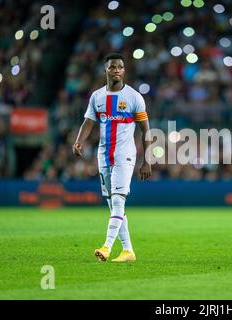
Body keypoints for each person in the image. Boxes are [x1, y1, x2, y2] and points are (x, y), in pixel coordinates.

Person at [72, 53, 152, 262]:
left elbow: (146, 130)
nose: (116, 70)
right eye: (112, 67)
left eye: (120, 67)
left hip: (124, 156)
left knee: (118, 201)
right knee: (113, 204)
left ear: (124, 71)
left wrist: (147, 160)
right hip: (103, 156)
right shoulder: (97, 97)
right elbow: (89, 121)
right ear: (105, 70)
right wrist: (79, 140)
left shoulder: (134, 97)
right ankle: (128, 251)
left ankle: (106, 247)